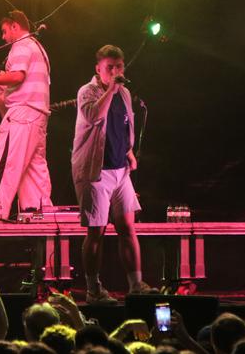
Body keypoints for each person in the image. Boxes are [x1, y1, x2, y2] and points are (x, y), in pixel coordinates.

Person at [71, 45, 153, 304]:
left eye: (119, 67)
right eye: (110, 68)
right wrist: (111, 89)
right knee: (96, 232)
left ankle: (136, 285)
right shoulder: (88, 91)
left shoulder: (125, 94)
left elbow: (126, 123)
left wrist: (128, 151)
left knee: (127, 227)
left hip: (120, 170)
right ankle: (93, 290)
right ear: (98, 69)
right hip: (95, 171)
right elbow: (95, 116)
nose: (116, 72)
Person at [0, 10, 53, 219]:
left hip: (23, 114)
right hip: (38, 115)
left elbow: (18, 76)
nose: (3, 37)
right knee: (33, 169)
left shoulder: (20, 45)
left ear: (14, 26)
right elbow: (22, 84)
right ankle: (37, 212)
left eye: (4, 31)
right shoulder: (39, 48)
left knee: (7, 164)